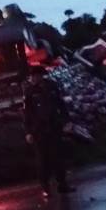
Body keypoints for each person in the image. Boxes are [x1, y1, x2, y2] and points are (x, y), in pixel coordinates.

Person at [23, 65, 76, 196]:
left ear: (40, 76)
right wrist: (28, 131)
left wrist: (67, 121)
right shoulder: (29, 91)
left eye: (36, 76)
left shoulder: (51, 87)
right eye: (32, 76)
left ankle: (62, 185)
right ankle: (45, 188)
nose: (33, 78)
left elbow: (60, 104)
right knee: (42, 160)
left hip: (53, 126)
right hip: (38, 130)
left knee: (58, 157)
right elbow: (27, 113)